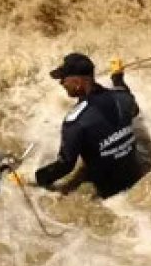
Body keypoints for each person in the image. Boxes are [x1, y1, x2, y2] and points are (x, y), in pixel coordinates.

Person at [34, 52, 144, 198]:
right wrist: (117, 77)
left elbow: (65, 165)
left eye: (63, 79)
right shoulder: (123, 98)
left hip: (111, 198)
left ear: (78, 83)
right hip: (139, 183)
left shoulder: (76, 121)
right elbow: (134, 109)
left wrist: (36, 180)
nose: (61, 83)